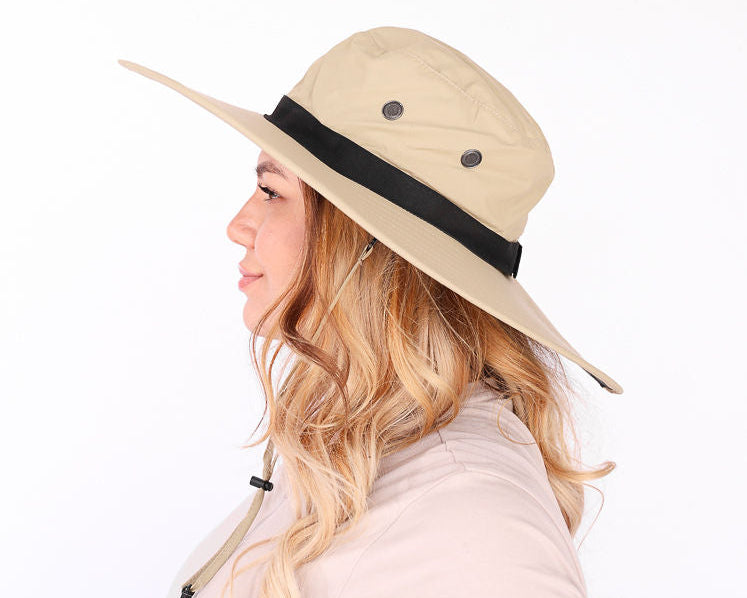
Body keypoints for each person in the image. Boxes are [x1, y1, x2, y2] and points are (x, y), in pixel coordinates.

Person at [119, 25, 623, 598]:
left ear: (366, 243)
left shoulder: (471, 518)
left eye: (272, 191)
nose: (238, 225)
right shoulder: (352, 452)